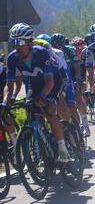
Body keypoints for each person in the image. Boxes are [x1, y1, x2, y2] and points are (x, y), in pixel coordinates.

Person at [2, 23, 70, 162]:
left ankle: (63, 149)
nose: (17, 46)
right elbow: (9, 86)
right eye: (13, 42)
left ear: (30, 42)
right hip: (34, 83)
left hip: (53, 81)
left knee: (50, 109)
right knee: (31, 111)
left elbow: (50, 82)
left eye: (20, 42)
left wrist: (43, 96)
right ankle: (43, 146)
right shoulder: (12, 58)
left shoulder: (41, 53)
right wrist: (5, 102)